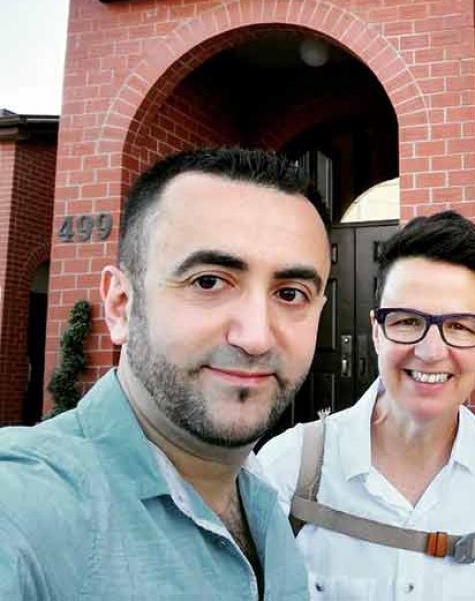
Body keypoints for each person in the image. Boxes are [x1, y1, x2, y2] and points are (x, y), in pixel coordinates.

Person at [0, 148, 332, 600]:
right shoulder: (25, 505)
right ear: (120, 305)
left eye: (291, 294)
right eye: (208, 282)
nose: (256, 337)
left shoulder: (266, 500)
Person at [259, 210, 475, 600]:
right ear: (376, 330)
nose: (431, 351)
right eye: (406, 321)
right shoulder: (288, 469)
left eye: (459, 326)